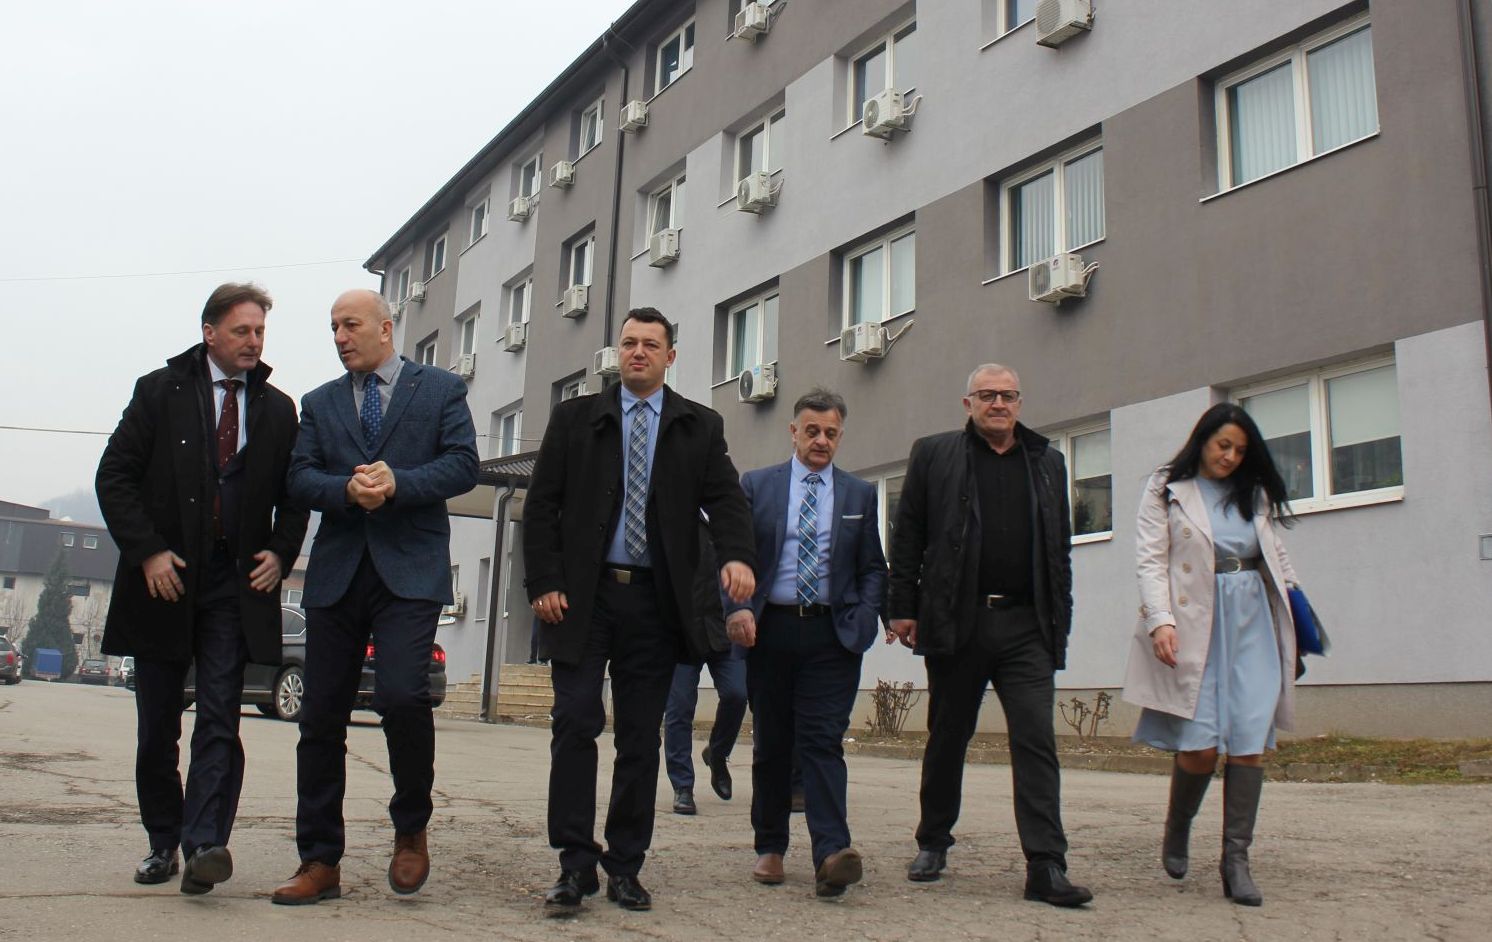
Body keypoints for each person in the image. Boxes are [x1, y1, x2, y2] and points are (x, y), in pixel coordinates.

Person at [524, 307, 755, 916]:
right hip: (582, 598)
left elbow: (727, 500)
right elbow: (541, 504)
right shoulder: (575, 419)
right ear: (617, 352)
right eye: (628, 342)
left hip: (655, 603)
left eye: (651, 344)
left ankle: (625, 866)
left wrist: (737, 556)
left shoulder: (698, 426)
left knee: (638, 738)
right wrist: (543, 580)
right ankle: (574, 864)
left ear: (670, 356)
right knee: (574, 721)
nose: (638, 353)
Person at [96, 282, 308, 894]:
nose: (253, 342)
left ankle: (205, 845)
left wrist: (281, 551)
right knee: (158, 725)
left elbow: (296, 496)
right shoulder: (159, 392)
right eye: (242, 331)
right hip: (164, 582)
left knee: (220, 717)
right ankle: (163, 842)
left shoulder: (277, 410)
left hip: (232, 588)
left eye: (260, 331)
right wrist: (148, 552)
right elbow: (114, 477)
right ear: (209, 332)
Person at [271, 289, 478, 905]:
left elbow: (463, 465)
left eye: (350, 325)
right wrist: (345, 490)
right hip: (337, 573)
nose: (339, 337)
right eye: (333, 327)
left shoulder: (439, 389)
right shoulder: (320, 402)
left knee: (403, 695)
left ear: (385, 329)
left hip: (409, 572)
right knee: (320, 715)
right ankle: (319, 861)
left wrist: (397, 483)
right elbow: (299, 477)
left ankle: (410, 829)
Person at [887, 363, 1093, 907]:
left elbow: (1059, 549)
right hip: (960, 621)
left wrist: (1060, 622)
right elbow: (908, 534)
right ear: (968, 403)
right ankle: (933, 842)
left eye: (1007, 395)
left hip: (1027, 625)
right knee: (948, 736)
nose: (998, 404)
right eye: (987, 395)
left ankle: (1046, 865)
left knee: (1036, 739)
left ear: (1019, 403)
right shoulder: (935, 454)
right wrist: (902, 607)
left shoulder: (1047, 461)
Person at [1124, 403, 1300, 907]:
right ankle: (1178, 826)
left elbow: (1275, 554)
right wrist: (1160, 620)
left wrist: (1297, 608)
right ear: (1202, 439)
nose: (1230, 457)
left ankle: (1235, 861)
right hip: (1194, 618)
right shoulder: (1167, 487)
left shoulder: (1254, 491)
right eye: (1224, 445)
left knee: (1248, 741)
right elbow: (1150, 559)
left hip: (1252, 621)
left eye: (1240, 450)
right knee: (1200, 746)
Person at [726, 388, 887, 897]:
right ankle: (770, 846)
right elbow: (734, 554)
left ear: (840, 436)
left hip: (831, 636)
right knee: (773, 743)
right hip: (770, 631)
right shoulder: (759, 486)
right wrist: (736, 609)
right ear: (793, 431)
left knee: (822, 741)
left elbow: (872, 567)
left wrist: (865, 617)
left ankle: (831, 853)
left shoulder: (858, 494)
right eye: (812, 431)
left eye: (831, 433)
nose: (821, 441)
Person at [663, 524, 747, 816]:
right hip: (684, 630)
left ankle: (717, 753)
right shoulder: (680, 514)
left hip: (725, 628)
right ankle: (682, 785)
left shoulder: (731, 515)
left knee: (737, 694)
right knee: (680, 708)